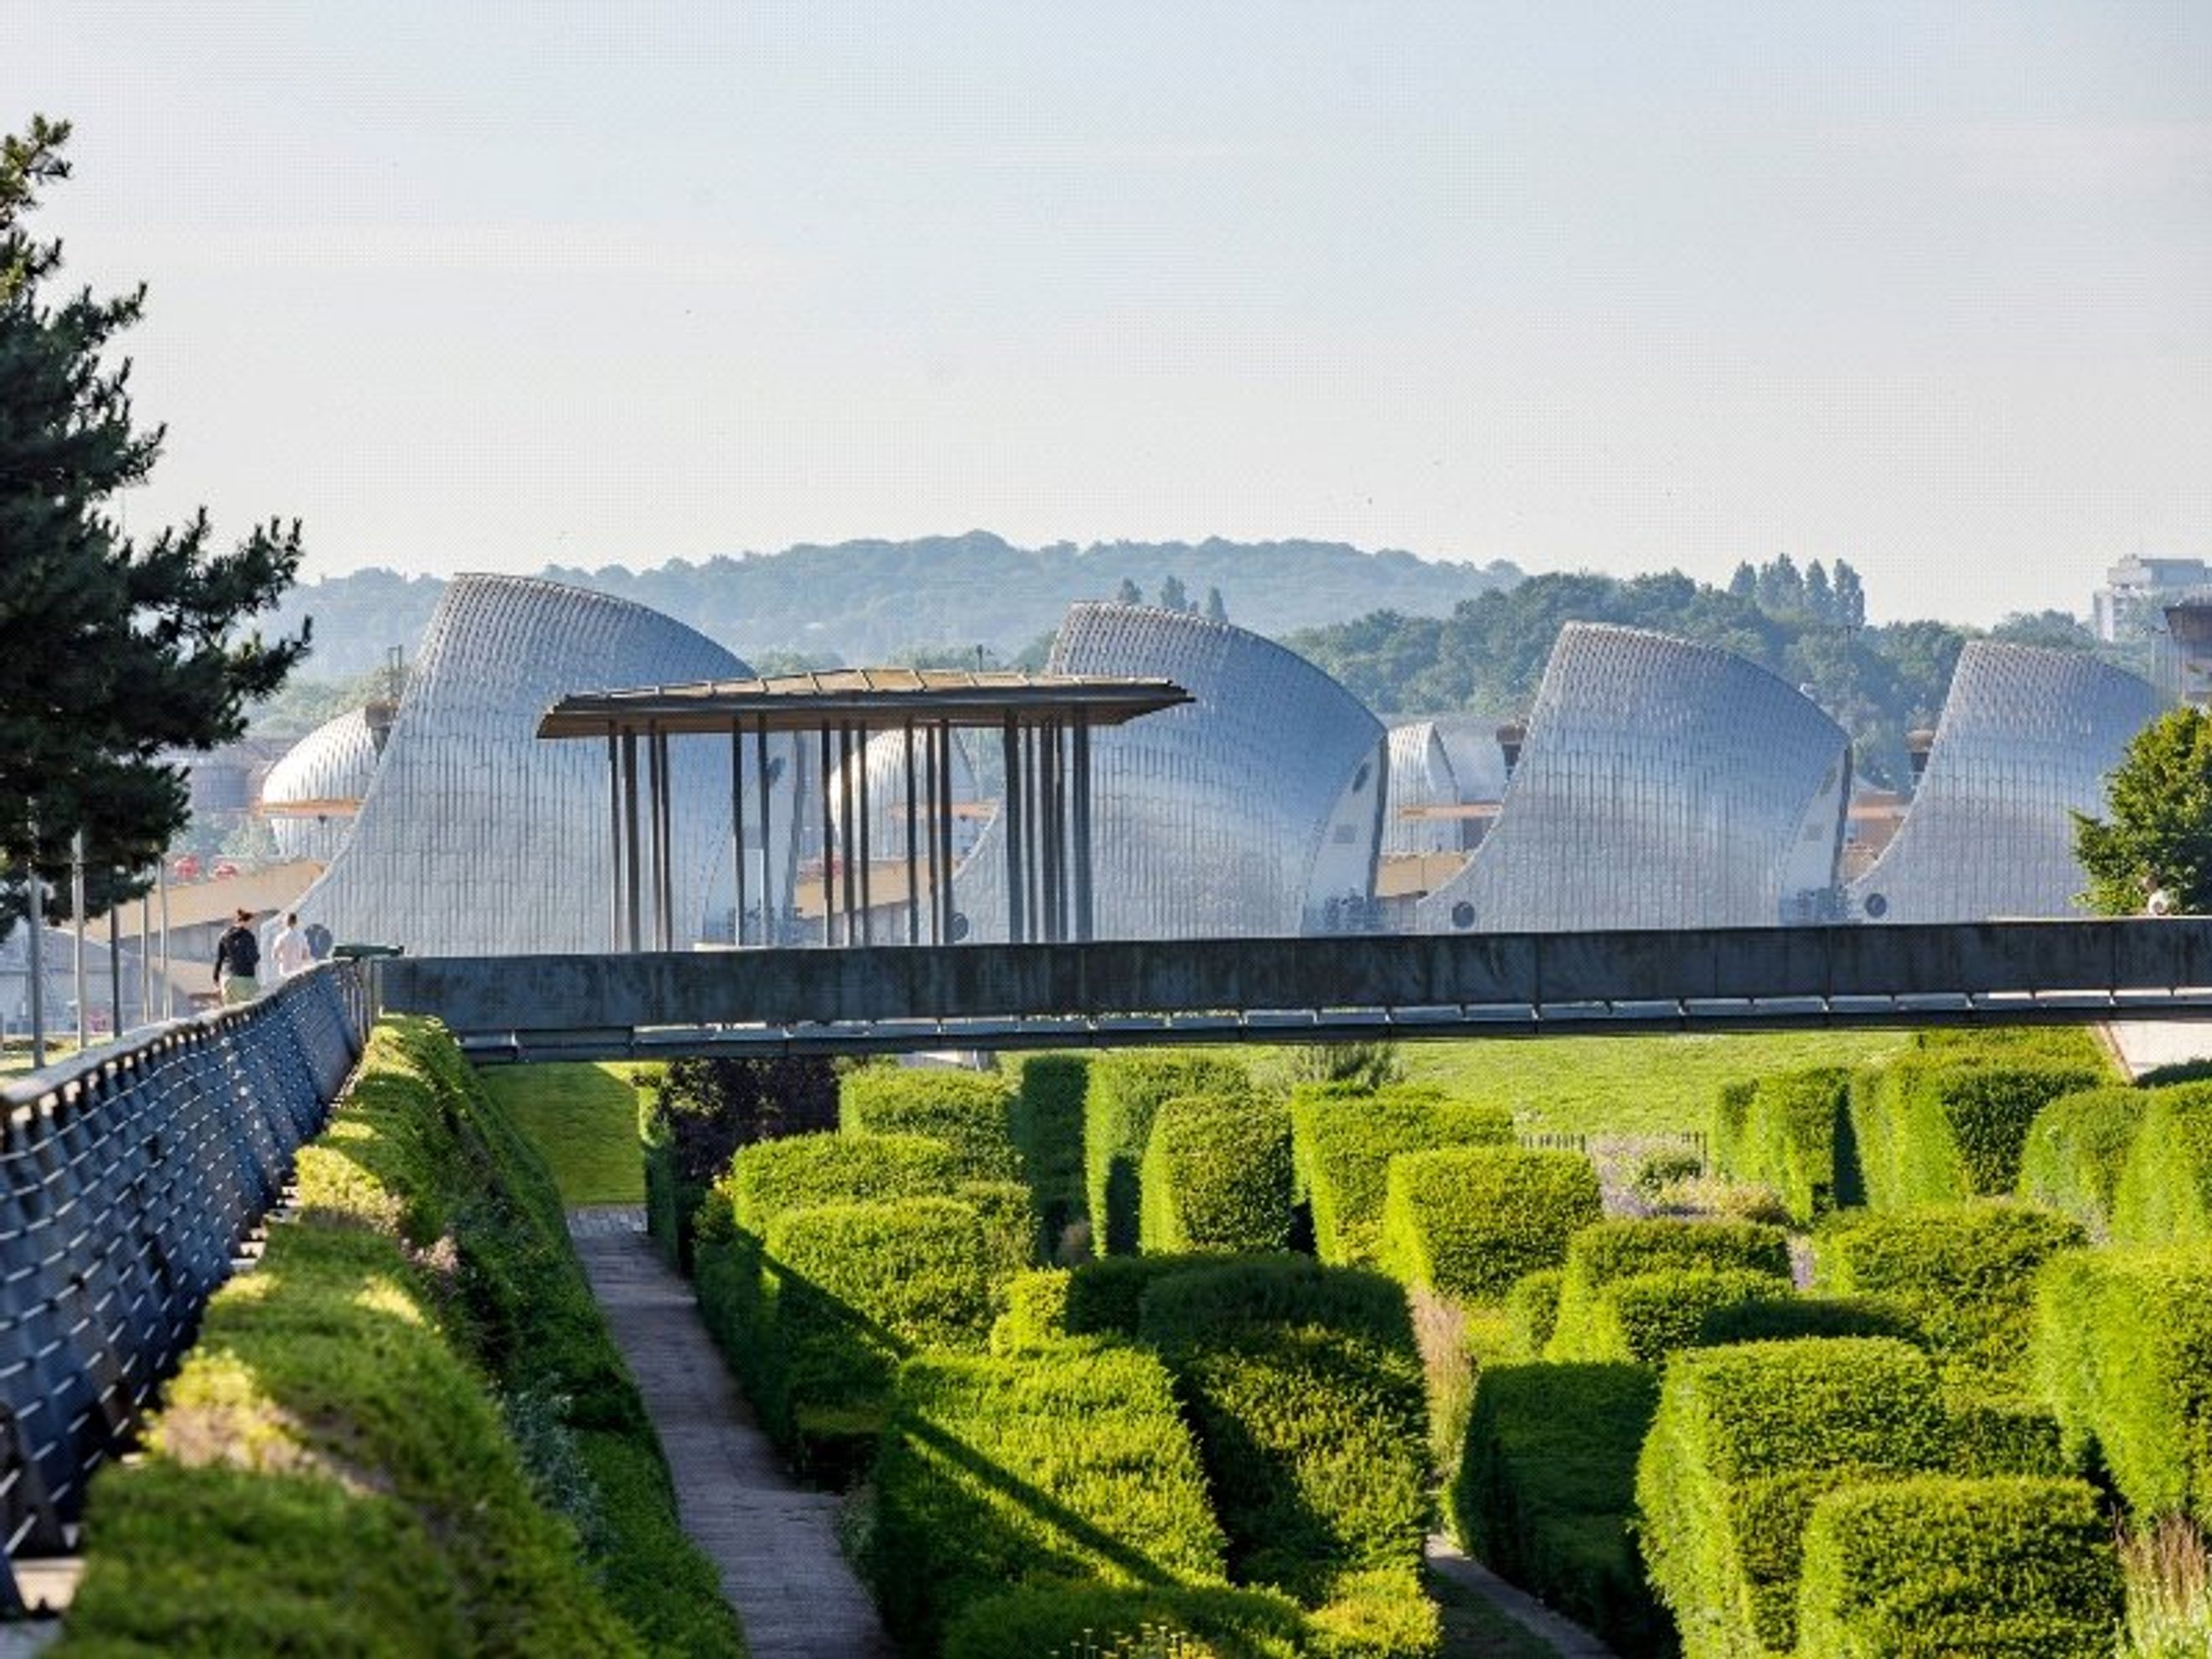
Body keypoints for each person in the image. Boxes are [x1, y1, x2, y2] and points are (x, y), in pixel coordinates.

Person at [213, 908, 261, 1004]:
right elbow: (254, 958)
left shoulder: (224, 935)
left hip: (226, 979)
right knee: (251, 1009)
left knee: (231, 1011)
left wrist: (216, 979)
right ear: (245, 922)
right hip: (244, 979)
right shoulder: (248, 936)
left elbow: (219, 959)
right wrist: (257, 956)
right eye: (251, 922)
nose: (252, 925)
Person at [271, 912, 312, 979]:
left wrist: (282, 959)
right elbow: (306, 956)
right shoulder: (302, 937)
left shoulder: (281, 937)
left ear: (285, 923)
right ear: (296, 922)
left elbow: (274, 955)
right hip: (298, 971)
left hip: (285, 972)